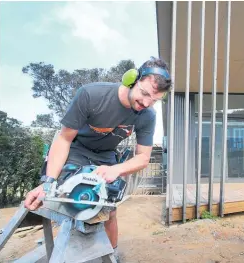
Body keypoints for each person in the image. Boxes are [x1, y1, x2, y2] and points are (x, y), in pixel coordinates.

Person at [24, 57, 172, 261]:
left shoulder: (147, 115)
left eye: (154, 100)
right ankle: (68, 245)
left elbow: (143, 158)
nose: (146, 103)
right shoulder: (92, 94)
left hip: (106, 156)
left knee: (109, 207)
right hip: (77, 148)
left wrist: (115, 170)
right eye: (144, 93)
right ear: (131, 80)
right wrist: (48, 183)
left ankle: (112, 253)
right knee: (68, 193)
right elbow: (64, 139)